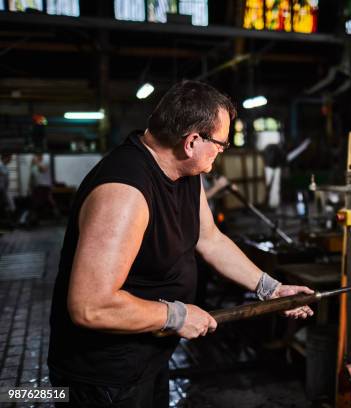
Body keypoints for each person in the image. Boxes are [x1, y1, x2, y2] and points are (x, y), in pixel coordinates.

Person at [48, 81, 314, 407]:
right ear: (191, 142)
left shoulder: (186, 174)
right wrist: (176, 316)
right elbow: (90, 306)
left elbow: (210, 239)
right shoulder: (124, 193)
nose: (221, 151)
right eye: (220, 144)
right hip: (104, 379)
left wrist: (270, 288)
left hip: (149, 358)